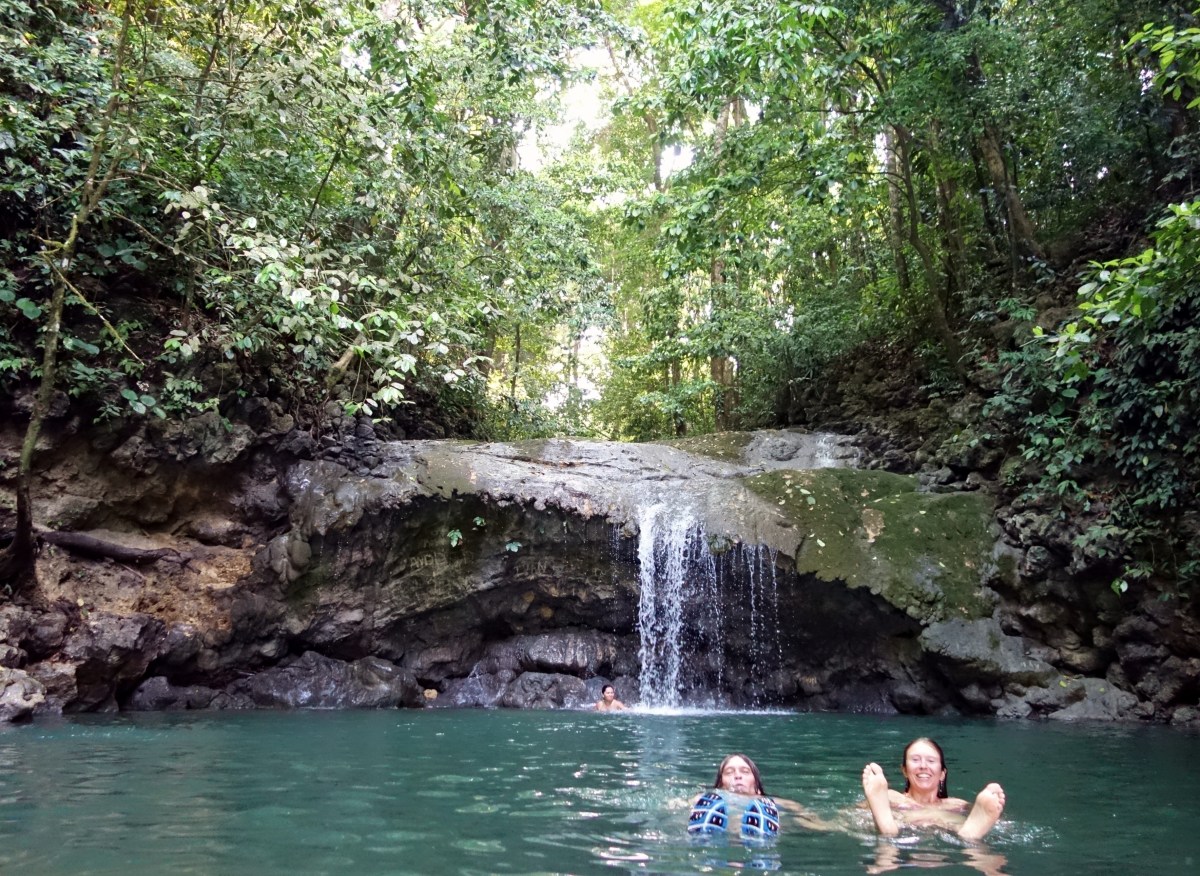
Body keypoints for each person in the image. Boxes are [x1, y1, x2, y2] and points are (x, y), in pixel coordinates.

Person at [860, 737, 1006, 842]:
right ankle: (885, 823)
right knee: (891, 825)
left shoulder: (958, 805)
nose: (923, 766)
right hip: (902, 826)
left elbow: (1001, 824)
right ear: (904, 770)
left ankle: (970, 832)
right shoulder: (889, 797)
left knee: (961, 829)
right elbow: (844, 818)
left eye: (931, 761)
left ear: (942, 774)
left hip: (911, 836)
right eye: (915, 760)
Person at [689, 753, 832, 836]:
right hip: (720, 826)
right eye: (729, 772)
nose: (737, 776)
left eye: (745, 771)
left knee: (776, 817)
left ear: (757, 785)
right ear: (720, 784)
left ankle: (762, 832)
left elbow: (813, 821)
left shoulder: (778, 803)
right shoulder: (703, 799)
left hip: (762, 824)